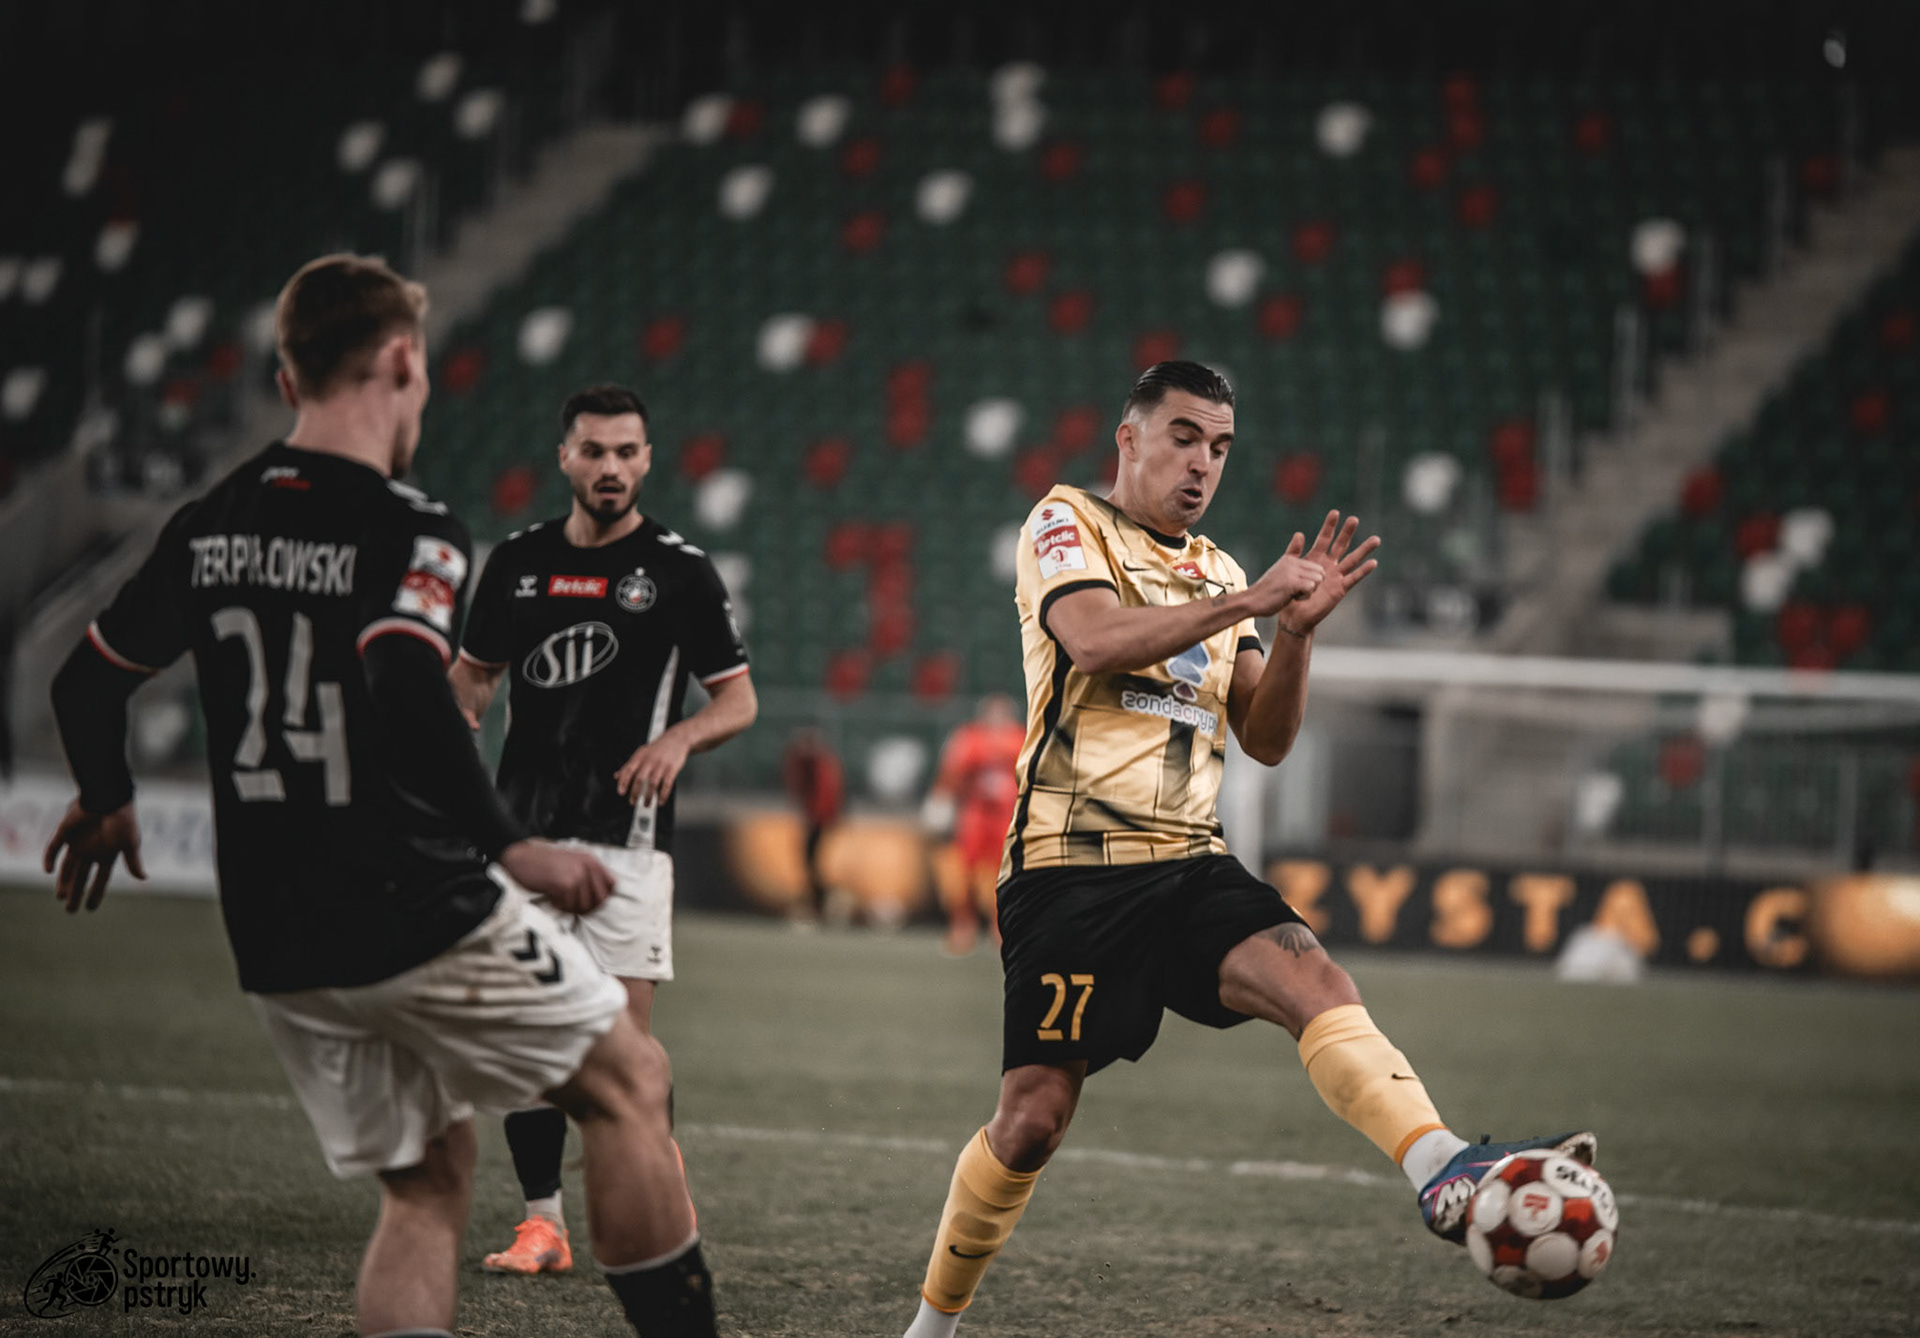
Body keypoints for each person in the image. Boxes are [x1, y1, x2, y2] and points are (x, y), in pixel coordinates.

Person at [42, 255, 717, 1338]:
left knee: (427, 1182)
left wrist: (106, 792)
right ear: (402, 361)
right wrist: (512, 846)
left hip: (272, 935)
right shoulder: (410, 524)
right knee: (630, 1080)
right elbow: (408, 683)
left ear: (285, 379)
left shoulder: (208, 523)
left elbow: (85, 682)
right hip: (405, 897)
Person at [897, 361, 1595, 1338]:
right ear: (1130, 439)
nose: (1202, 465)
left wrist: (1295, 635)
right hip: (1071, 868)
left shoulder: (1222, 572)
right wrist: (1248, 604)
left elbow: (1265, 737)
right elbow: (1093, 641)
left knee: (1319, 982)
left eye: (1220, 448)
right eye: (1183, 437)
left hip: (1190, 860)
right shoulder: (1066, 522)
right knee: (1031, 1122)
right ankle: (931, 1330)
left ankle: (1442, 1168)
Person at [449, 383, 756, 1275]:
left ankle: (657, 1186)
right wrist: (452, 732)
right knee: (528, 1034)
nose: (611, 467)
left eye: (626, 452)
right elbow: (473, 679)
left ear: (648, 460)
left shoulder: (679, 572)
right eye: (594, 451)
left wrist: (678, 739)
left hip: (629, 843)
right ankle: (542, 1226)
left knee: (621, 1046)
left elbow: (738, 701)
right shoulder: (516, 563)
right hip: (524, 841)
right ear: (566, 458)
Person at [922, 694, 1025, 955]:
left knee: (1006, 872)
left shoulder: (1020, 737)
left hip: (1007, 814)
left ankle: (1000, 927)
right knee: (963, 871)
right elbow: (951, 772)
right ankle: (962, 923)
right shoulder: (969, 738)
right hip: (975, 812)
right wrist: (941, 798)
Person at [780, 726, 844, 923]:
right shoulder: (821, 762)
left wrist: (817, 817)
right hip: (819, 818)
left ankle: (823, 901)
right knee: (810, 862)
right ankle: (820, 902)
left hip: (819, 819)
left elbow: (825, 795)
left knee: (812, 862)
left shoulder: (821, 763)